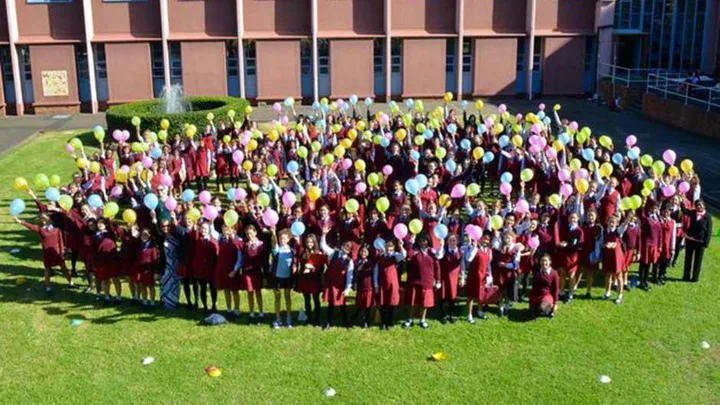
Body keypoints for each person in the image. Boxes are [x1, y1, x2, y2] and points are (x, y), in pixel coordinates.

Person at [13, 214, 75, 295]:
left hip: (56, 252)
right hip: (47, 253)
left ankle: (71, 283)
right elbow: (31, 226)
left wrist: (62, 251)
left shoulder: (57, 229)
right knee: (47, 270)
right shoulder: (41, 229)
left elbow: (61, 242)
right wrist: (20, 221)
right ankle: (48, 287)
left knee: (64, 269)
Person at [402, 234, 441, 329]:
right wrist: (410, 243)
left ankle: (422, 320)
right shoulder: (415, 252)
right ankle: (410, 319)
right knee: (413, 302)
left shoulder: (432, 252)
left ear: (428, 241)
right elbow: (409, 255)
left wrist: (438, 280)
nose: (422, 242)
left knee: (425, 303)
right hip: (415, 281)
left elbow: (437, 267)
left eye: (424, 240)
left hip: (427, 281)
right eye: (420, 241)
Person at [320, 225, 354, 330]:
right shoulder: (333, 253)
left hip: (340, 284)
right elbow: (323, 246)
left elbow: (350, 275)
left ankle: (344, 321)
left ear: (350, 251)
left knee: (342, 303)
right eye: (344, 246)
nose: (345, 249)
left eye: (348, 248)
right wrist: (324, 234)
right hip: (331, 282)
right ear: (341, 246)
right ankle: (328, 322)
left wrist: (347, 288)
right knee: (331, 303)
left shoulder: (349, 261)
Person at [373, 239, 405, 330]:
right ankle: (383, 322)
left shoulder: (395, 256)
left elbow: (404, 255)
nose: (388, 248)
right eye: (387, 246)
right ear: (385, 247)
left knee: (392, 303)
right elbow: (376, 271)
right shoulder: (380, 257)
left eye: (390, 246)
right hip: (382, 283)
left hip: (393, 283)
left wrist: (401, 246)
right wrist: (376, 285)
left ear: (393, 247)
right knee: (383, 304)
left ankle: (390, 322)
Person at [269, 227, 295, 329]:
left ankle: (288, 318)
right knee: (277, 297)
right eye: (281, 239)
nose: (282, 240)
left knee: (288, 297)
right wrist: (274, 233)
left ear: (288, 239)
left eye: (284, 239)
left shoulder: (291, 250)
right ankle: (278, 318)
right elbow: (273, 242)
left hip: (288, 277)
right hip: (277, 277)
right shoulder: (276, 249)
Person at [683, 200, 712, 282]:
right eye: (697, 205)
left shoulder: (708, 217)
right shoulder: (693, 213)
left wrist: (706, 244)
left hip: (700, 242)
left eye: (700, 205)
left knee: (698, 261)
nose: (698, 207)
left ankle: (695, 278)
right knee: (688, 259)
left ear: (704, 206)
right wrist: (682, 201)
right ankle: (686, 276)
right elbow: (685, 211)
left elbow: (709, 231)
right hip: (690, 240)